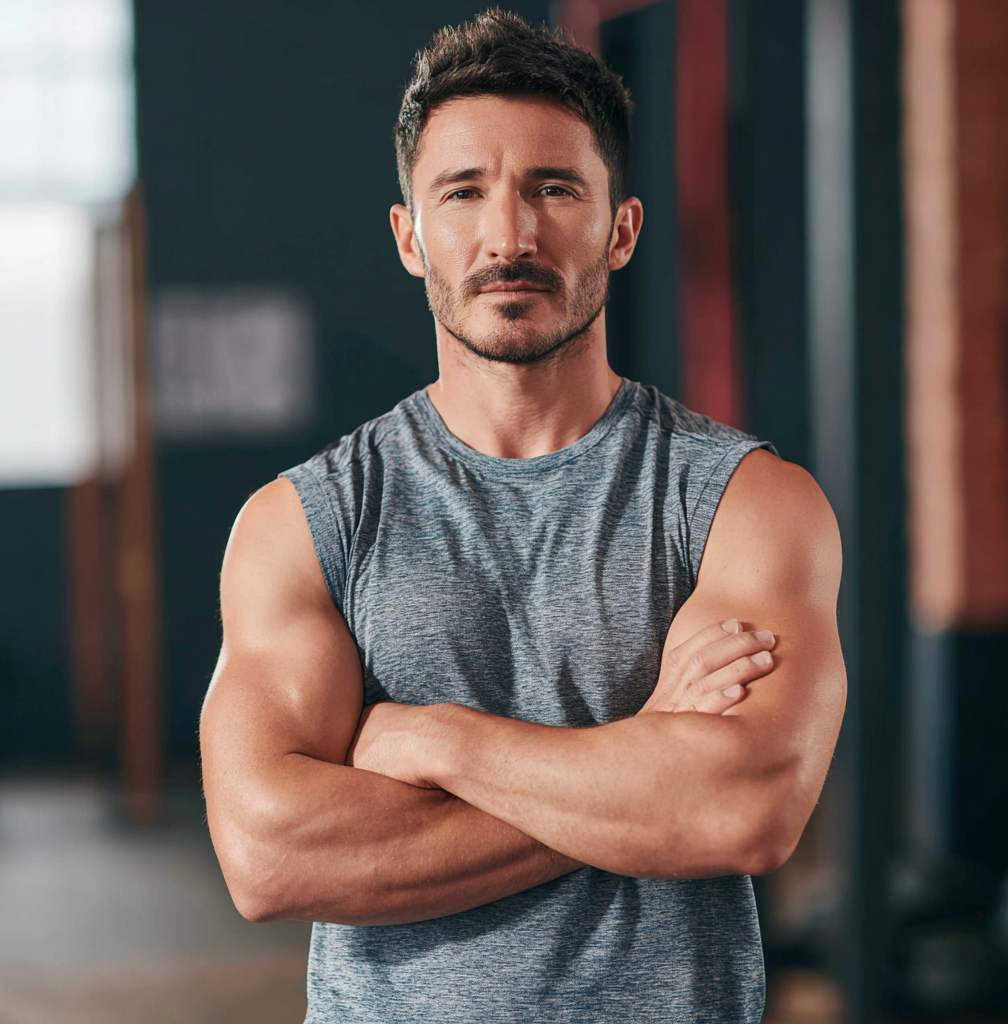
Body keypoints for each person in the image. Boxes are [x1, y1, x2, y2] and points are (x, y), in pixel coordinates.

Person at [200, 10, 845, 1022]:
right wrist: (645, 751)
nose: (510, 236)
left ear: (621, 229)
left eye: (554, 188)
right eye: (463, 192)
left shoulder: (742, 502)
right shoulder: (307, 523)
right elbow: (269, 855)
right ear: (409, 237)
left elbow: (742, 808)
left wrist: (438, 742)